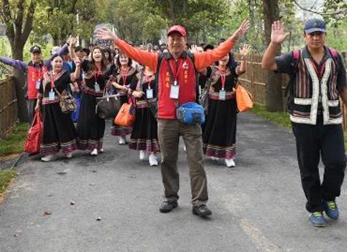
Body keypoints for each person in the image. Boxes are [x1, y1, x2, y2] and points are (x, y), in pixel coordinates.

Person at [95, 20, 250, 219]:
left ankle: (200, 202)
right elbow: (134, 53)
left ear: (185, 41)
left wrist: (235, 37)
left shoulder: (195, 59)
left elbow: (217, 53)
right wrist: (116, 40)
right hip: (166, 119)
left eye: (179, 39)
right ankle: (170, 197)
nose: (175, 42)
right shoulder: (158, 60)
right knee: (168, 160)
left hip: (190, 119)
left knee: (196, 160)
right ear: (167, 42)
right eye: (172, 39)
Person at [261, 18, 347, 227]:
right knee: (308, 166)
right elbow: (267, 64)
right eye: (311, 34)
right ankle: (315, 207)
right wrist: (274, 43)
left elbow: (344, 88)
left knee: (337, 162)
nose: (316, 37)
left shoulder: (335, 58)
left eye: (319, 33)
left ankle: (329, 197)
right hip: (303, 122)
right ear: (305, 36)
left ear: (325, 35)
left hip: (331, 120)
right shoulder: (295, 57)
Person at [202, 45, 250, 168]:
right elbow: (200, 69)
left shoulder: (232, 70)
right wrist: (199, 55)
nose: (224, 57)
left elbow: (242, 70)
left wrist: (244, 57)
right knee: (213, 128)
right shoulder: (212, 70)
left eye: (227, 55)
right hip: (213, 106)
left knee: (228, 129)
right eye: (222, 54)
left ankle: (229, 157)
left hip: (229, 106)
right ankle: (213, 152)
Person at [38, 54, 81, 161]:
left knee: (64, 128)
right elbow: (40, 92)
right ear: (51, 63)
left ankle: (68, 150)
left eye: (60, 62)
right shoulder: (45, 75)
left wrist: (78, 66)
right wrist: (37, 104)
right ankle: (51, 153)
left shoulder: (65, 74)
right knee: (49, 130)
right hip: (47, 108)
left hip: (61, 107)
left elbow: (75, 77)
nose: (58, 64)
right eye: (56, 61)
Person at [71, 44, 111, 155]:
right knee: (90, 120)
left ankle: (99, 145)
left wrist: (112, 83)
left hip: (100, 98)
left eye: (99, 53)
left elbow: (108, 83)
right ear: (92, 55)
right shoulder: (87, 64)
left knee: (100, 121)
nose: (97, 54)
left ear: (102, 55)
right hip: (88, 97)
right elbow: (75, 59)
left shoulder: (106, 67)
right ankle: (92, 146)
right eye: (95, 53)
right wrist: (71, 47)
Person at [128, 65, 160, 166]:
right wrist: (135, 93)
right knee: (142, 129)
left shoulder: (159, 74)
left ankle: (153, 154)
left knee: (154, 131)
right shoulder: (138, 75)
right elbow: (130, 90)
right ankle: (142, 147)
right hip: (141, 108)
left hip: (155, 108)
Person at [109, 51, 138, 145]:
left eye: (125, 58)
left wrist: (130, 88)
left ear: (129, 59)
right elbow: (112, 81)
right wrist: (121, 87)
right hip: (119, 97)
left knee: (131, 115)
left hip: (130, 96)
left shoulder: (134, 70)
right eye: (121, 58)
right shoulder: (116, 70)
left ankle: (132, 136)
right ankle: (122, 137)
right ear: (118, 59)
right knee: (119, 116)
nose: (123, 59)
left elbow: (137, 81)